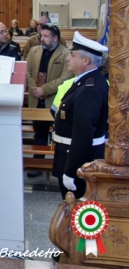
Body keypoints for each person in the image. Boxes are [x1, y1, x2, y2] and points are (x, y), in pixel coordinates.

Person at [52, 32, 109, 199]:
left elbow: (83, 135)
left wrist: (71, 171)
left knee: (78, 212)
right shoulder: (85, 81)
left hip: (79, 160)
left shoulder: (89, 89)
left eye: (72, 55)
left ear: (86, 60)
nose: (68, 59)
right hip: (70, 154)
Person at [25, 23, 73, 177]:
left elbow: (66, 78)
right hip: (36, 98)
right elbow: (28, 72)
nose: (42, 39)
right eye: (41, 36)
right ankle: (37, 163)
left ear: (56, 38)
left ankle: (60, 166)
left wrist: (44, 90)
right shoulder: (34, 51)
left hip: (55, 100)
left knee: (59, 135)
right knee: (39, 133)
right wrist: (35, 89)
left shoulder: (65, 54)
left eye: (46, 36)